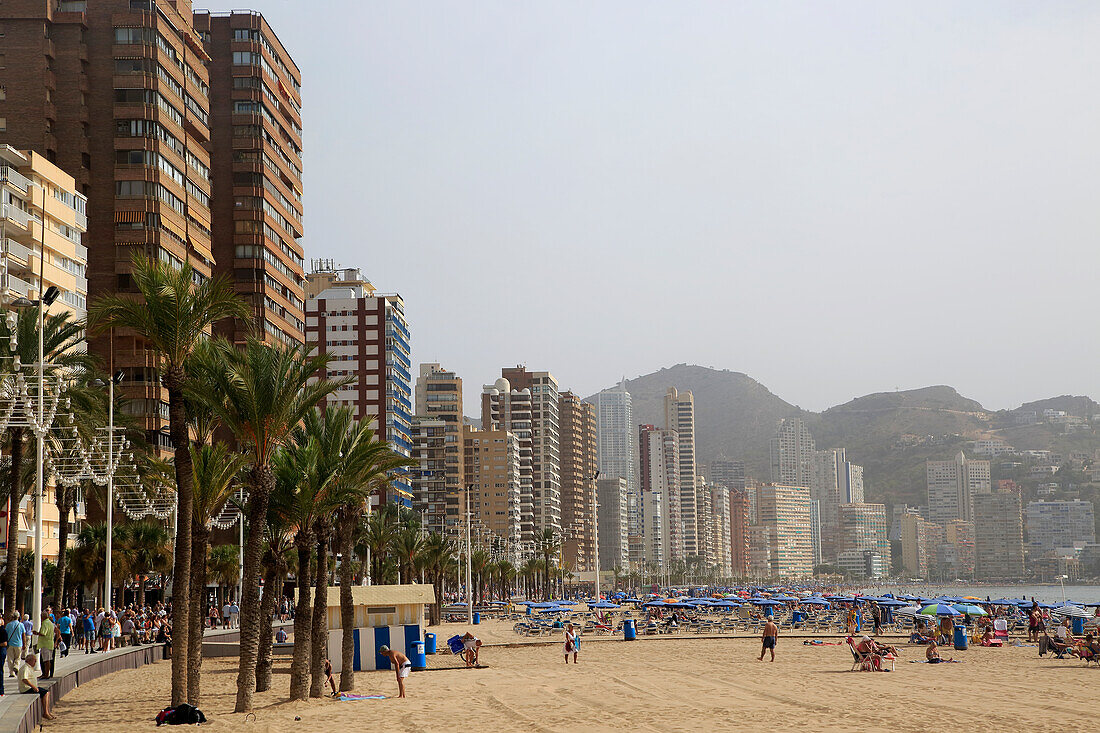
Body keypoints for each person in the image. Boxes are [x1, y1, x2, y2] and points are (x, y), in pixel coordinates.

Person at [18, 653, 55, 721]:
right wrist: (33, 687)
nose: (35, 662)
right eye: (34, 661)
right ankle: (45, 713)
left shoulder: (29, 667)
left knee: (46, 692)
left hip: (30, 687)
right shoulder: (25, 668)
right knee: (45, 693)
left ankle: (47, 712)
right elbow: (24, 679)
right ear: (29, 660)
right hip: (27, 689)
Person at [34, 612, 55, 679]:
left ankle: (46, 674)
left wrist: (36, 633)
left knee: (46, 660)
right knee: (47, 660)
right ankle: (46, 674)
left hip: (45, 644)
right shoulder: (50, 623)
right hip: (49, 643)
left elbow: (43, 633)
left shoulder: (45, 623)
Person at [4, 612, 24, 676]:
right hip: (18, 644)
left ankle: (11, 672)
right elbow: (23, 635)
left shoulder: (8, 625)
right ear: (18, 617)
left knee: (10, 658)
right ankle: (16, 666)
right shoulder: (21, 625)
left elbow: (5, 634)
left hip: (10, 644)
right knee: (18, 657)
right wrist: (25, 644)